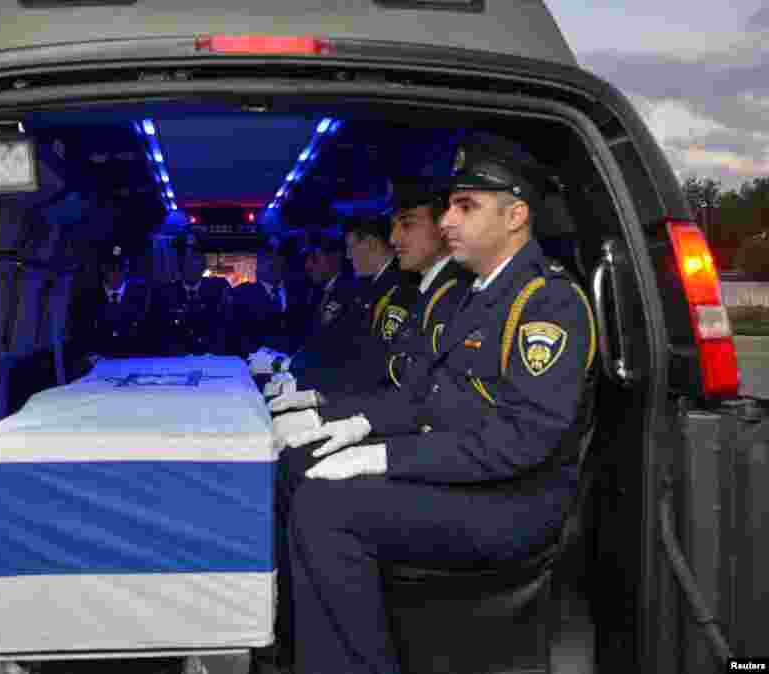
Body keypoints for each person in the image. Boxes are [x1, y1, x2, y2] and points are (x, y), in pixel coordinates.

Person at [263, 133, 598, 674]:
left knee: (328, 508)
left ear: (516, 216)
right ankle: (299, 649)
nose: (447, 221)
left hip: (513, 502)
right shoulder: (480, 292)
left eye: (466, 207)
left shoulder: (547, 302)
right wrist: (353, 426)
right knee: (304, 464)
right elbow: (423, 395)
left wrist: (383, 457)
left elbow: (523, 440)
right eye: (448, 207)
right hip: (465, 475)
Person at [256, 209, 416, 397]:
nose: (348, 256)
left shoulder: (396, 289)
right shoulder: (371, 288)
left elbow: (365, 361)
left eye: (351, 247)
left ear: (371, 244)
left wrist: (312, 392)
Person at [150, 234, 232, 355]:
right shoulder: (165, 293)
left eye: (195, 260)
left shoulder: (219, 288)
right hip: (176, 359)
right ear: (179, 266)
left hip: (213, 357)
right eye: (185, 262)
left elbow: (227, 326)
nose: (190, 266)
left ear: (203, 265)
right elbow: (158, 331)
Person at [73, 241, 152, 357]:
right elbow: (81, 333)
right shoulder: (88, 297)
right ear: (103, 269)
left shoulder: (143, 295)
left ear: (127, 269)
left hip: (135, 357)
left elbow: (149, 331)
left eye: (120, 268)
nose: (116, 273)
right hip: (100, 359)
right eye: (111, 268)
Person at [232, 236, 303, 357]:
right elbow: (236, 337)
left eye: (277, 257)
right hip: (257, 365)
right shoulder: (241, 294)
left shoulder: (301, 292)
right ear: (257, 265)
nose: (272, 262)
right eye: (267, 257)